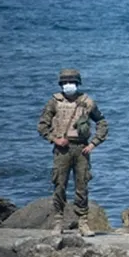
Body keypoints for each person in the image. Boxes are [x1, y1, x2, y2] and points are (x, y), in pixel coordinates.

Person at [36, 68, 108, 235]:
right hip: (62, 150)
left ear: (78, 84)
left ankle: (83, 222)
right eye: (66, 82)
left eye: (72, 82)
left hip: (81, 148)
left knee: (82, 186)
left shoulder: (86, 101)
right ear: (61, 84)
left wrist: (93, 144)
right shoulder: (54, 101)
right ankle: (58, 222)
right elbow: (42, 126)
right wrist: (55, 139)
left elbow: (102, 122)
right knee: (59, 185)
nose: (69, 85)